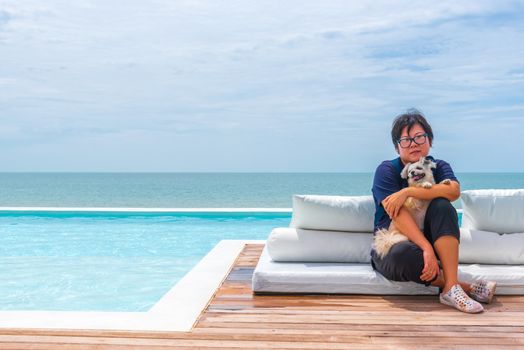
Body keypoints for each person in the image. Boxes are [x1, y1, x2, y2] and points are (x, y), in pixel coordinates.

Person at [370, 109, 496, 313]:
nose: (413, 143)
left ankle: (450, 290)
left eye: (419, 137)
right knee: (401, 255)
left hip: (433, 243)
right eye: (405, 140)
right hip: (394, 245)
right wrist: (426, 248)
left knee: (443, 205)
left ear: (429, 140)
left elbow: (453, 191)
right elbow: (397, 214)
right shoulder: (387, 171)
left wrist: (409, 191)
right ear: (397, 147)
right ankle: (461, 287)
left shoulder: (438, 165)